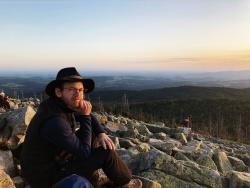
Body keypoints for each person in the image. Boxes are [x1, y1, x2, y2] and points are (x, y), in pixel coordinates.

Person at [21, 67, 142, 188]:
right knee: (105, 152)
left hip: (54, 160)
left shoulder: (58, 105)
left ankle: (94, 178)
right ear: (59, 92)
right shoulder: (55, 121)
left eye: (80, 90)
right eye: (72, 89)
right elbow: (84, 152)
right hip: (46, 177)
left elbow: (87, 115)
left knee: (94, 136)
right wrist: (85, 116)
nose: (78, 94)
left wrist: (101, 133)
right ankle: (125, 182)